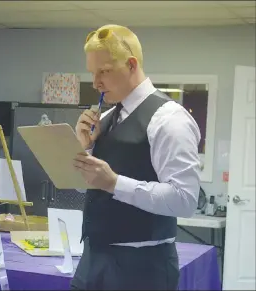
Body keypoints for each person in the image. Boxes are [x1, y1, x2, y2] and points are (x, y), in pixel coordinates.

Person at [72, 24, 201, 290]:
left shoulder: (169, 120)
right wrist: (84, 150)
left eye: (104, 71)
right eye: (92, 73)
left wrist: (114, 183)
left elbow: (185, 200)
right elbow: (83, 186)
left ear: (131, 65)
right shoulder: (105, 120)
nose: (95, 83)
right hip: (92, 260)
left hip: (142, 269)